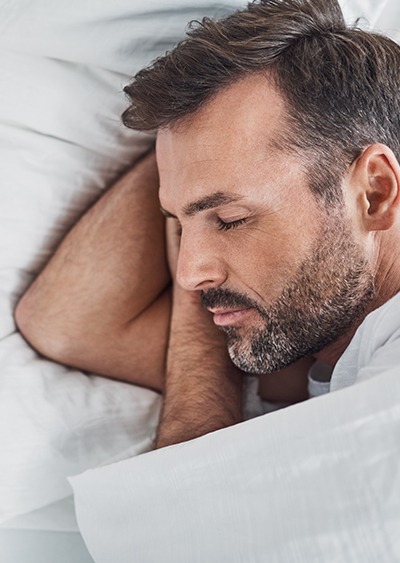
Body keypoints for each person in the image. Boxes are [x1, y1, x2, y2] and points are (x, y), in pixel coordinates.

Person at [15, 0, 400, 449]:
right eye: (177, 225)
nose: (188, 276)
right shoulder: (331, 343)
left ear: (374, 192)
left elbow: (190, 515)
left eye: (232, 220)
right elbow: (66, 323)